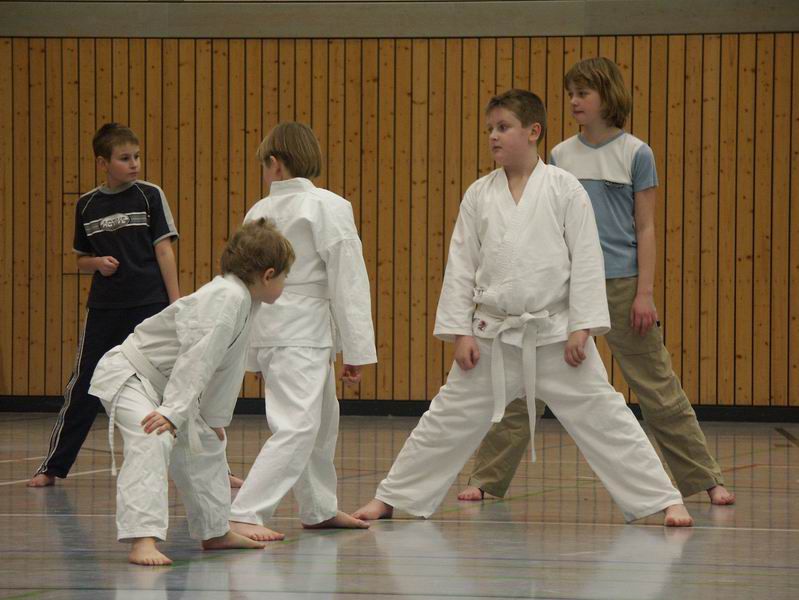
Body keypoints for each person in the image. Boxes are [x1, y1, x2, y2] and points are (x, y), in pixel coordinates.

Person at [353, 89, 693, 527]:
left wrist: (583, 327)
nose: (493, 136)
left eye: (503, 127)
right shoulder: (479, 194)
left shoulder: (565, 188)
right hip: (492, 335)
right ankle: (391, 496)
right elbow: (461, 265)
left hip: (556, 335)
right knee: (447, 417)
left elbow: (587, 259)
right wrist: (461, 332)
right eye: (490, 129)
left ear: (533, 132)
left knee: (606, 416)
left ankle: (664, 499)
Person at [459, 58, 735, 507]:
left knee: (657, 386)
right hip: (562, 290)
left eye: (583, 93)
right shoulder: (560, 155)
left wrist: (645, 292)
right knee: (524, 383)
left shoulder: (636, 154)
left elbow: (645, 227)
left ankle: (704, 478)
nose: (573, 101)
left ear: (608, 96)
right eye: (570, 93)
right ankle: (487, 478)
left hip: (621, 285)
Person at [89, 217, 294, 565]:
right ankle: (142, 539)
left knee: (206, 445)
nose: (285, 284)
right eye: (285, 277)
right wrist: (173, 412)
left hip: (164, 385)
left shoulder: (244, 299)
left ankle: (215, 531)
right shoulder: (225, 297)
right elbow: (197, 357)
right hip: (131, 375)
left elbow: (225, 368)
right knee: (152, 437)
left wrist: (211, 418)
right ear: (268, 274)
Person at [229, 122, 377, 542]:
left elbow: (246, 283)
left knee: (322, 422)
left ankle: (318, 508)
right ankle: (246, 511)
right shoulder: (328, 206)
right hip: (303, 332)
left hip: (279, 328)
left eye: (264, 164)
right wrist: (356, 349)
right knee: (297, 425)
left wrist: (249, 350)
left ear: (275, 164)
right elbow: (349, 280)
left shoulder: (258, 211)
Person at [29, 123, 179, 488]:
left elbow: (164, 249)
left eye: (137, 156)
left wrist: (175, 303)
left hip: (151, 303)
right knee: (84, 384)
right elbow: (81, 259)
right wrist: (97, 263)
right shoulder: (87, 205)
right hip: (105, 309)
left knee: (176, 383)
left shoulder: (149, 196)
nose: (134, 164)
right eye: (125, 158)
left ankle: (215, 467)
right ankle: (53, 466)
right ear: (103, 162)